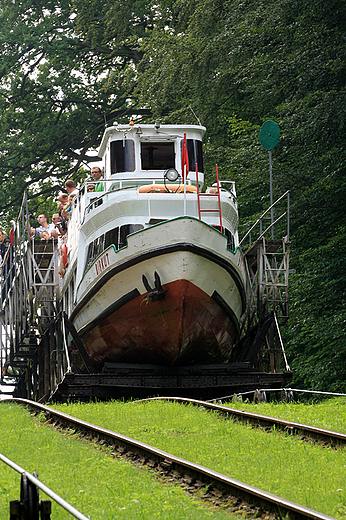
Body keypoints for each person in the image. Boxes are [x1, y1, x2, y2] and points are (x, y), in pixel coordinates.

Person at [0, 230, 13, 301]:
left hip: (9, 266)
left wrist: (3, 264)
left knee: (7, 284)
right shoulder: (1, 245)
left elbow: (6, 254)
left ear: (3, 235)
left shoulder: (6, 242)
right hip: (6, 267)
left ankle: (4, 299)